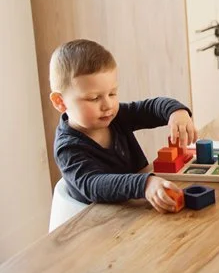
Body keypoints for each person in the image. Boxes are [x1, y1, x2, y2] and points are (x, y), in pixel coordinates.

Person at [50, 39, 197, 213]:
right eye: (94, 98)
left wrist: (176, 112)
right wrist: (144, 183)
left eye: (112, 93)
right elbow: (93, 184)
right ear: (60, 102)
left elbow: (150, 108)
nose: (108, 105)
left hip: (133, 211)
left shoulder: (115, 116)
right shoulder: (68, 147)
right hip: (98, 224)